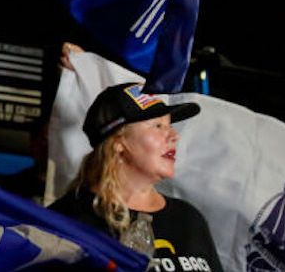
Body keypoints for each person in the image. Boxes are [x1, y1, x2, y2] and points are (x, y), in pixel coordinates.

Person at [49, 82, 222, 271]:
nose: (174, 136)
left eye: (169, 125)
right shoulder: (66, 221)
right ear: (119, 143)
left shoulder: (189, 220)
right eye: (158, 126)